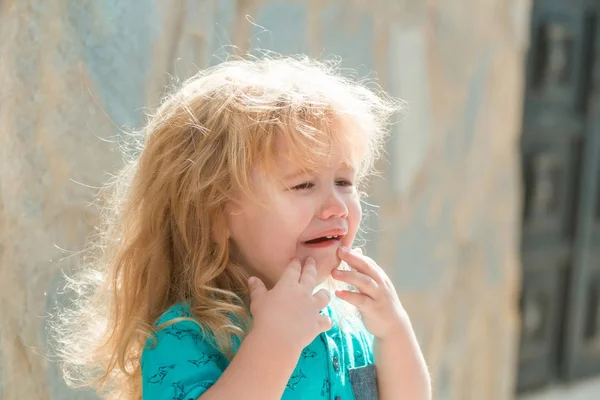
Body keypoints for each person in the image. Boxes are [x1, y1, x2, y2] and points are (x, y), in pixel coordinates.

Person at [53, 56, 431, 400]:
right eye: (303, 185)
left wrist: (392, 330)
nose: (336, 207)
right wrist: (275, 342)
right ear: (216, 215)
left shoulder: (343, 323)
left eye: (345, 182)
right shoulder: (186, 335)